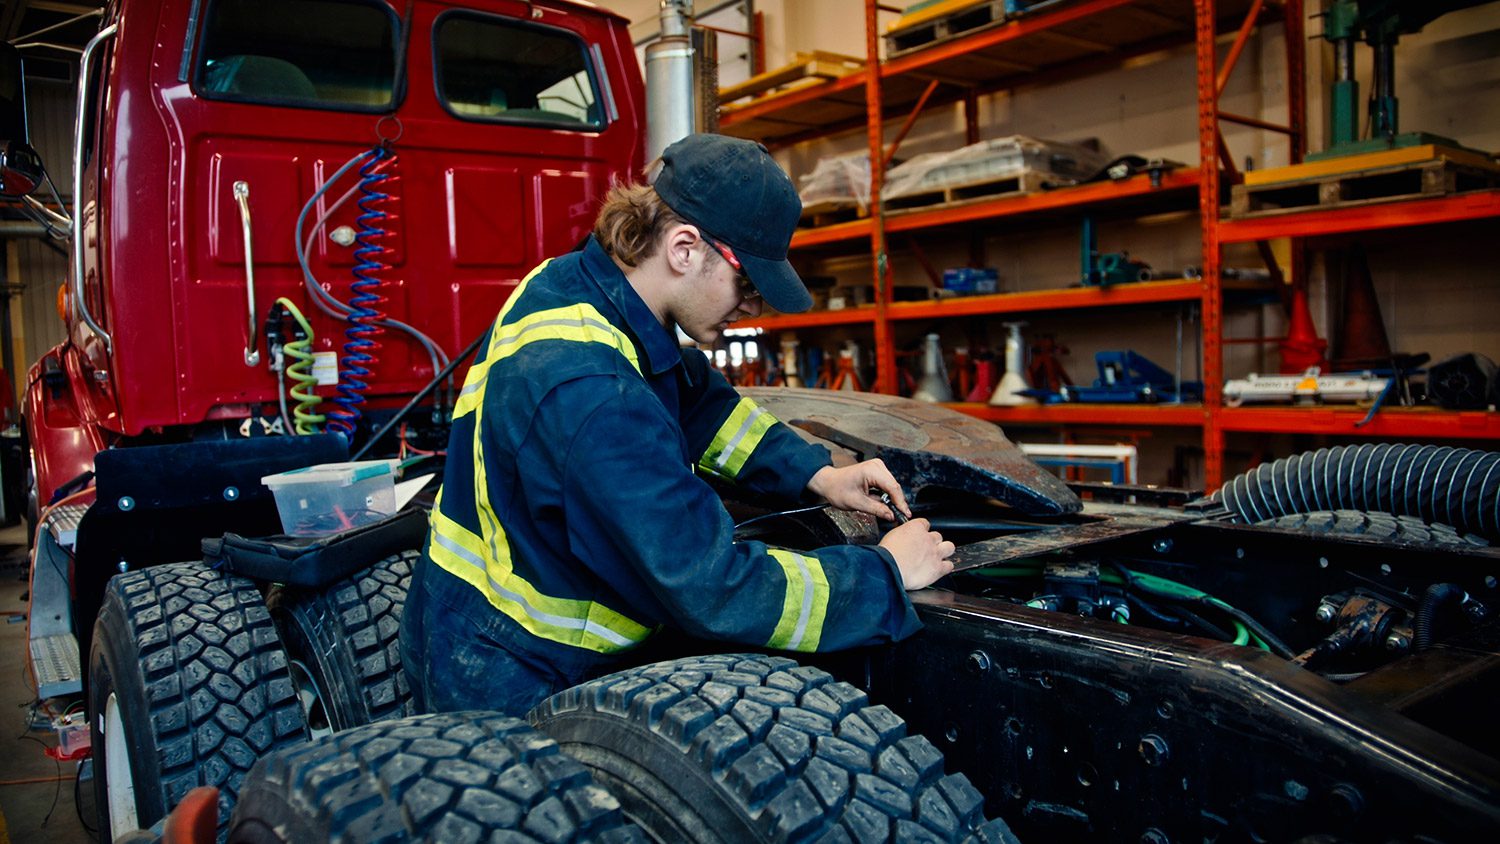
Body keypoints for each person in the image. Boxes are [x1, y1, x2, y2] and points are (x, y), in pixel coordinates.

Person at [400, 134, 955, 717]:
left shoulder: (581, 287)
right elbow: (708, 586)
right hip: (514, 671)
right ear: (685, 248)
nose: (752, 310)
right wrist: (884, 576)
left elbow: (702, 405)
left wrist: (819, 475)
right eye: (748, 285)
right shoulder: (595, 393)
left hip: (482, 619)